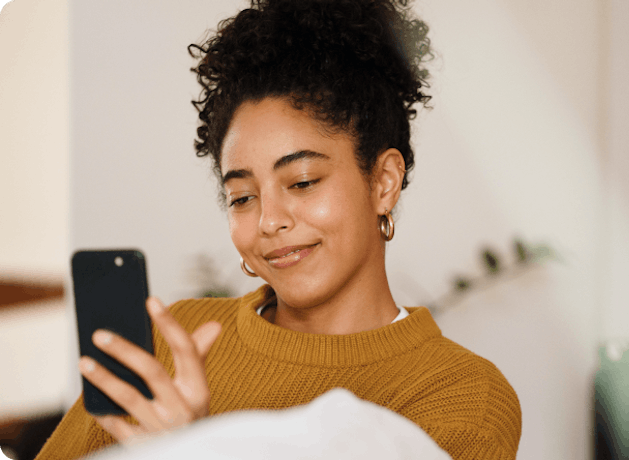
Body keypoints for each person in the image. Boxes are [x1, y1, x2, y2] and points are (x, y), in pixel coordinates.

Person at [35, 0, 521, 459]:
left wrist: (191, 449)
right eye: (242, 197)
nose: (269, 221)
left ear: (383, 182)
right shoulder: (176, 339)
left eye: (303, 181)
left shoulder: (462, 395)